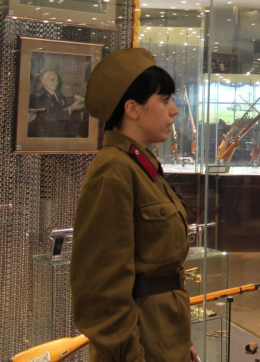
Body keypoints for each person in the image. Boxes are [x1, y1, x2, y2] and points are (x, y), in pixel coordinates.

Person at [69, 48, 197, 362]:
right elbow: (101, 294)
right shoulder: (114, 171)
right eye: (164, 100)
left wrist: (179, 342)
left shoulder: (140, 167)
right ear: (132, 109)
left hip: (163, 338)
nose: (174, 111)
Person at [28, 69, 86, 138]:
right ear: (43, 81)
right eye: (52, 80)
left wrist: (73, 104)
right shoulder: (37, 97)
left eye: (57, 80)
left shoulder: (58, 94)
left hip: (61, 133)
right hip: (46, 136)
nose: (56, 83)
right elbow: (49, 116)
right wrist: (71, 109)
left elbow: (62, 112)